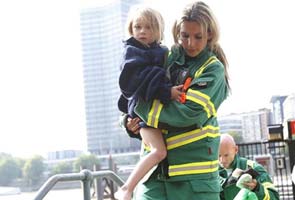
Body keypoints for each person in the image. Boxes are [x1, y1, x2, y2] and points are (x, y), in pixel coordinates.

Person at [123, 2, 230, 199]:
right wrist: (130, 122)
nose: (190, 43)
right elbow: (136, 89)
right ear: (176, 33)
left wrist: (140, 108)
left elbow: (186, 114)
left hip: (194, 180)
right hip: (153, 176)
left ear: (210, 35)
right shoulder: (164, 56)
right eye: (184, 36)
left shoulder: (212, 69)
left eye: (198, 37)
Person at [116, 6, 183, 200]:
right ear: (131, 29)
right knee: (159, 151)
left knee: (159, 150)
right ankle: (126, 188)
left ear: (158, 31)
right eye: (137, 27)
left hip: (149, 112)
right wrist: (166, 91)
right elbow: (139, 82)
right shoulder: (132, 53)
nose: (142, 31)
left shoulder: (159, 52)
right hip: (141, 112)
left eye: (148, 27)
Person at [219, 133, 279, 200]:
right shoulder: (211, 174)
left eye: (226, 155)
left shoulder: (254, 168)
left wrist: (257, 188)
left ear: (236, 149)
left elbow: (274, 197)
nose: (222, 160)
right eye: (218, 156)